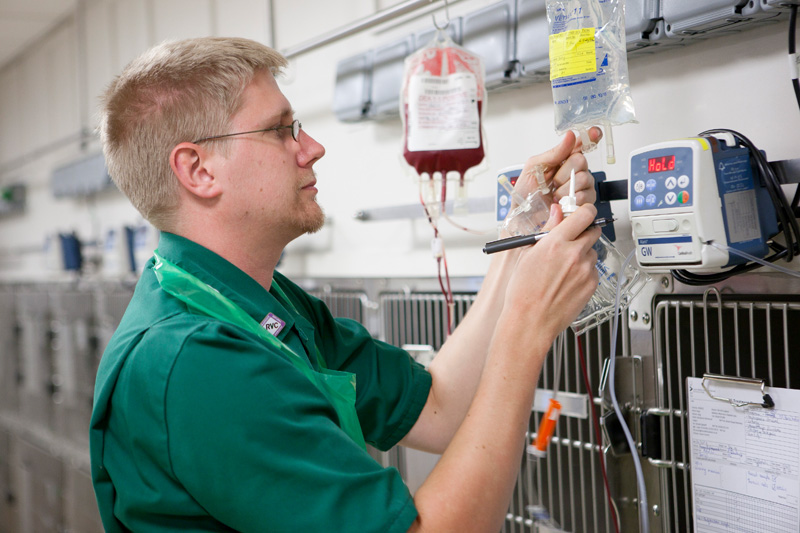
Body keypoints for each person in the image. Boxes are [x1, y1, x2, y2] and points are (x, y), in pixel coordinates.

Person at [90, 36, 602, 533]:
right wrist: (528, 324)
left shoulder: (254, 304)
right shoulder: (197, 360)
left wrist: (517, 239)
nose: (313, 148)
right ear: (197, 170)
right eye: (280, 130)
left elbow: (439, 407)